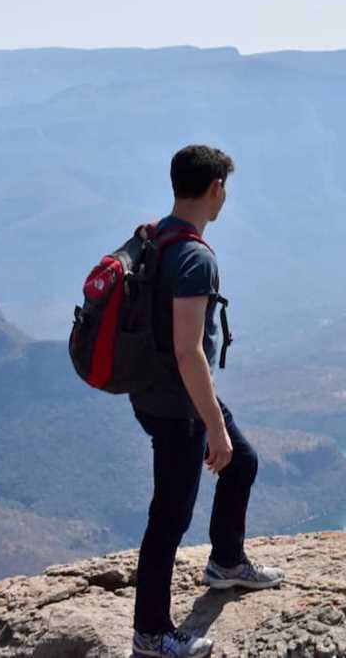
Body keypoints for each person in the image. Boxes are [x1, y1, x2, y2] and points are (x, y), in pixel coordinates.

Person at [130, 145, 284, 658]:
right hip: (179, 405)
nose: (226, 198)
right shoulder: (194, 256)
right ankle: (151, 634)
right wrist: (212, 427)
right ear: (216, 188)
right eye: (226, 189)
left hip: (155, 394)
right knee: (169, 518)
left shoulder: (154, 236)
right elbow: (187, 348)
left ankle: (226, 563)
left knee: (243, 462)